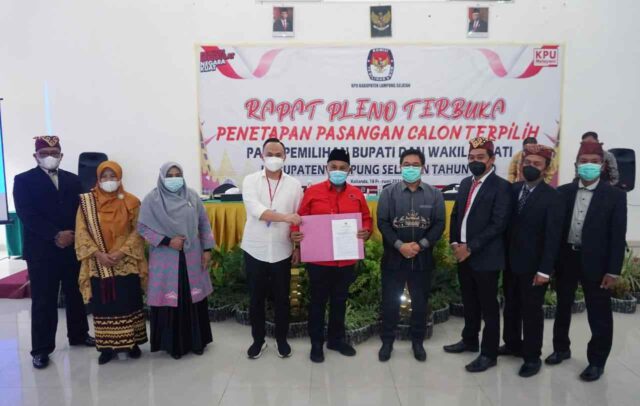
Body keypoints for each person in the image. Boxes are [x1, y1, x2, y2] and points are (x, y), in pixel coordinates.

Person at [546, 141, 627, 382]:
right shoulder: (563, 192)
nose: (588, 165)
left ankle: (597, 361)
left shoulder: (615, 196)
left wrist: (613, 271)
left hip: (597, 263)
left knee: (598, 312)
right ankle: (561, 348)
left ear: (602, 165)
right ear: (577, 164)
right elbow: (554, 230)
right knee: (563, 306)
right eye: (584, 161)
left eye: (594, 161)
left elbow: (617, 236)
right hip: (566, 258)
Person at [13, 136, 94, 370]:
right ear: (35, 156)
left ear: (61, 155)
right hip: (41, 251)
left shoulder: (73, 179)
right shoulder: (23, 180)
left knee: (75, 294)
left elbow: (82, 212)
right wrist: (55, 235)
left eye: (54, 152)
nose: (50, 156)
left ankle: (78, 334)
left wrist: (73, 236)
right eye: (45, 153)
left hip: (71, 247)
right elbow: (26, 214)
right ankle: (41, 349)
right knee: (44, 300)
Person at [291, 148, 373, 363]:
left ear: (349, 170)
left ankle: (336, 340)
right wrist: (296, 237)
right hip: (319, 260)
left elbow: (366, 218)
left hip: (345, 260)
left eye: (342, 168)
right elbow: (299, 219)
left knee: (339, 301)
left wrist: (366, 231)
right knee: (318, 302)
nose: (338, 171)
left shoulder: (356, 194)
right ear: (326, 168)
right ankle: (316, 343)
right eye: (333, 167)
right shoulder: (313, 192)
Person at [443, 137, 512, 373]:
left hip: (486, 257)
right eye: (471, 157)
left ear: (492, 160)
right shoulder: (465, 183)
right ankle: (470, 339)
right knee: (469, 301)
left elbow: (498, 224)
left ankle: (489, 354)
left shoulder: (501, 187)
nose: (475, 161)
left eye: (480, 157)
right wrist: (455, 243)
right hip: (463, 254)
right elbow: (456, 215)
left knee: (489, 308)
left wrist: (470, 247)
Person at [138, 162, 215, 359]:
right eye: (170, 175)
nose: (174, 179)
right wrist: (167, 241)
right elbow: (143, 228)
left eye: (177, 174)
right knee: (170, 299)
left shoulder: (192, 196)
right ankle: (173, 345)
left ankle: (197, 342)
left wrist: (207, 250)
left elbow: (204, 223)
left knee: (193, 298)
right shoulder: (152, 199)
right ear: (162, 177)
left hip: (192, 255)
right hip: (166, 258)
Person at [75, 161, 148, 365]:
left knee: (129, 302)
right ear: (98, 180)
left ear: (120, 178)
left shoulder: (132, 201)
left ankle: (132, 344)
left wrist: (121, 252)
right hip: (99, 263)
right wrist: (98, 254)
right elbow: (81, 231)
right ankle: (106, 347)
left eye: (113, 176)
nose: (109, 180)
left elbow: (139, 230)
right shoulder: (87, 203)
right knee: (104, 305)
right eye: (104, 177)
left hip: (125, 262)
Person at [500, 145, 564, 377]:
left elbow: (553, 237)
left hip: (534, 267)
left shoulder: (553, 197)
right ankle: (512, 344)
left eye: (537, 164)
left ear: (545, 168)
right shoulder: (513, 189)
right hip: (510, 263)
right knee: (511, 307)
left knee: (531, 312)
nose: (530, 167)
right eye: (527, 162)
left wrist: (545, 270)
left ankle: (532, 356)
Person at [377, 148, 445, 362]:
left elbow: (439, 224)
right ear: (400, 166)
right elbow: (383, 223)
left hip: (422, 259)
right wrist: (400, 246)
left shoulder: (435, 194)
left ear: (423, 167)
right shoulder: (388, 193)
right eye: (406, 164)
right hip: (394, 259)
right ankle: (387, 342)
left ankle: (418, 342)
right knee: (390, 303)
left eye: (415, 165)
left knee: (420, 304)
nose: (410, 168)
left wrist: (420, 245)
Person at [241, 138, 303, 359]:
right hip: (254, 249)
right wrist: (285, 217)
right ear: (262, 156)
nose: (274, 158)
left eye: (278, 154)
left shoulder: (294, 185)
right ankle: (258, 341)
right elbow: (256, 210)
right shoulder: (250, 180)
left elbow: (298, 220)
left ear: (285, 157)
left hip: (282, 249)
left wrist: (297, 246)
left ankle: (281, 340)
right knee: (256, 298)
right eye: (270, 154)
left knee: (282, 299)